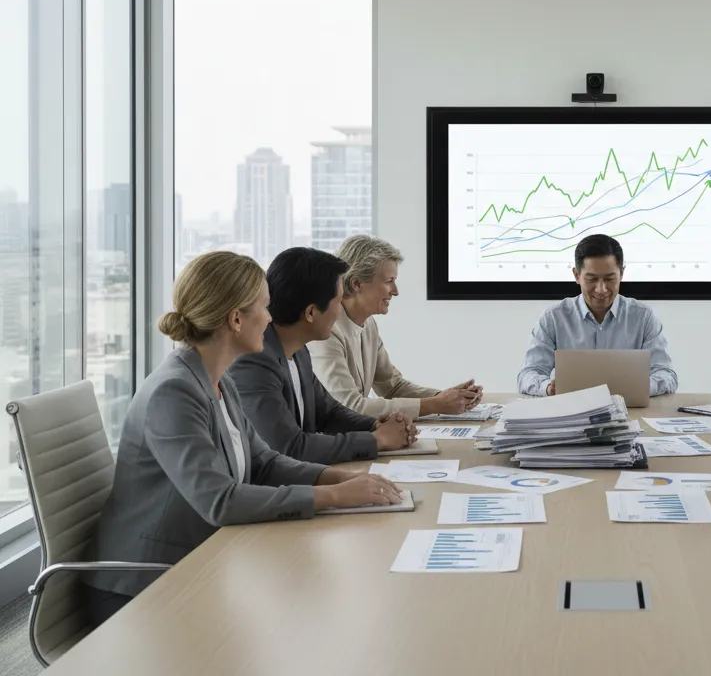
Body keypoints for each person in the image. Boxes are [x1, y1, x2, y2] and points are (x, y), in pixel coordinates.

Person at [81, 252, 402, 627]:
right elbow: (220, 500)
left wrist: (343, 480)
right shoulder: (174, 392)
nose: (270, 318)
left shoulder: (219, 380)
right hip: (142, 587)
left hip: (198, 561)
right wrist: (332, 497)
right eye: (264, 308)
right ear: (236, 319)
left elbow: (264, 461)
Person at [228, 247, 418, 464]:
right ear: (311, 313)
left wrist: (377, 426)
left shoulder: (298, 350)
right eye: (338, 301)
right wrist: (375, 441)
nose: (340, 312)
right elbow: (290, 447)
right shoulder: (254, 362)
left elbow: (328, 413)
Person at [308, 235, 483, 419]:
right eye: (388, 281)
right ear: (357, 283)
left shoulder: (368, 324)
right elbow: (350, 406)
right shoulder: (326, 332)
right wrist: (435, 404)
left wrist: (445, 397)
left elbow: (392, 387)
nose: (396, 291)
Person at [517, 233, 677, 396]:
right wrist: (547, 387)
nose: (601, 289)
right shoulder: (553, 318)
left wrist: (638, 387)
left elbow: (667, 375)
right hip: (571, 412)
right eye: (592, 279)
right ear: (577, 275)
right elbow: (528, 374)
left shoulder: (643, 318)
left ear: (621, 274)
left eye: (609, 279)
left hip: (629, 411)